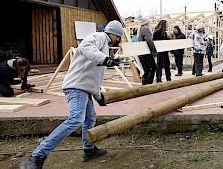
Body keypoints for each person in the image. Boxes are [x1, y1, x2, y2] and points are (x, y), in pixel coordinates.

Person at [20, 20, 124, 168]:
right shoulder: (98, 37)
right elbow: (85, 47)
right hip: (76, 87)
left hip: (84, 89)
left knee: (90, 118)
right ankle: (36, 156)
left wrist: (98, 94)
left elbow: (94, 74)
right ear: (113, 33)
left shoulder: (105, 46)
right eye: (118, 36)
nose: (118, 40)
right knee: (76, 119)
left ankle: (89, 150)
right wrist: (105, 59)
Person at [138, 16, 157, 85]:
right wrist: (154, 51)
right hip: (146, 54)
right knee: (150, 69)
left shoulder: (141, 29)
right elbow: (149, 40)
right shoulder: (146, 29)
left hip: (143, 53)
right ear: (147, 23)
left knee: (149, 69)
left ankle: (147, 84)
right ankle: (147, 85)